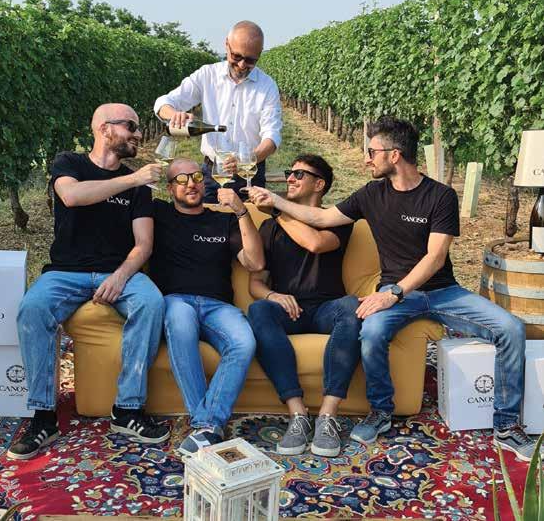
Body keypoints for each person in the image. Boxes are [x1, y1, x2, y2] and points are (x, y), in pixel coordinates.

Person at [249, 116, 541, 462]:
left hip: (442, 292)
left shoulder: (441, 196)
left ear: (395, 155)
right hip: (397, 292)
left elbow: (435, 258)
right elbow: (321, 219)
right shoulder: (371, 194)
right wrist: (274, 201)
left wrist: (394, 293)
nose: (366, 160)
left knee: (510, 328)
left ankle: (506, 425)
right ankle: (381, 411)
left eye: (372, 152)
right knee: (372, 332)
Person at [8, 104, 170, 461]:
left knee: (151, 302)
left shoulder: (139, 188)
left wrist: (120, 276)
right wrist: (132, 180)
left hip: (118, 271)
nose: (138, 134)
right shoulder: (70, 163)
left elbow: (143, 244)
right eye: (131, 126)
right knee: (33, 308)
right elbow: (72, 196)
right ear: (104, 128)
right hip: (65, 271)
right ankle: (43, 416)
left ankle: (127, 409)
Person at [247, 154, 361, 457]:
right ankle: (297, 414)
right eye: (290, 172)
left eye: (299, 174)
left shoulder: (337, 219)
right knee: (258, 310)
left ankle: (327, 416)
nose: (290, 178)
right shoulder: (269, 228)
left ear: (319, 184)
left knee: (352, 307)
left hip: (326, 309)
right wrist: (272, 296)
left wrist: (278, 210)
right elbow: (255, 283)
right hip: (289, 311)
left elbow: (315, 243)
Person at [150, 158, 264, 455]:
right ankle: (208, 424)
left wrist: (241, 210)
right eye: (181, 179)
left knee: (244, 342)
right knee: (180, 323)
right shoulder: (158, 213)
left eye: (197, 177)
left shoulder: (223, 220)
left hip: (218, 306)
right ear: (169, 188)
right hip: (177, 300)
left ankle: (205, 425)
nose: (191, 183)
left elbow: (255, 263)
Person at [154, 20, 282, 203]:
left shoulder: (267, 86)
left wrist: (247, 160)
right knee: (208, 219)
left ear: (260, 54)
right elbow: (163, 103)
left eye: (250, 60)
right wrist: (174, 115)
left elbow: (272, 135)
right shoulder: (207, 75)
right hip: (212, 173)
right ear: (226, 45)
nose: (242, 65)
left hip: (249, 175)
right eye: (236, 56)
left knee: (250, 220)